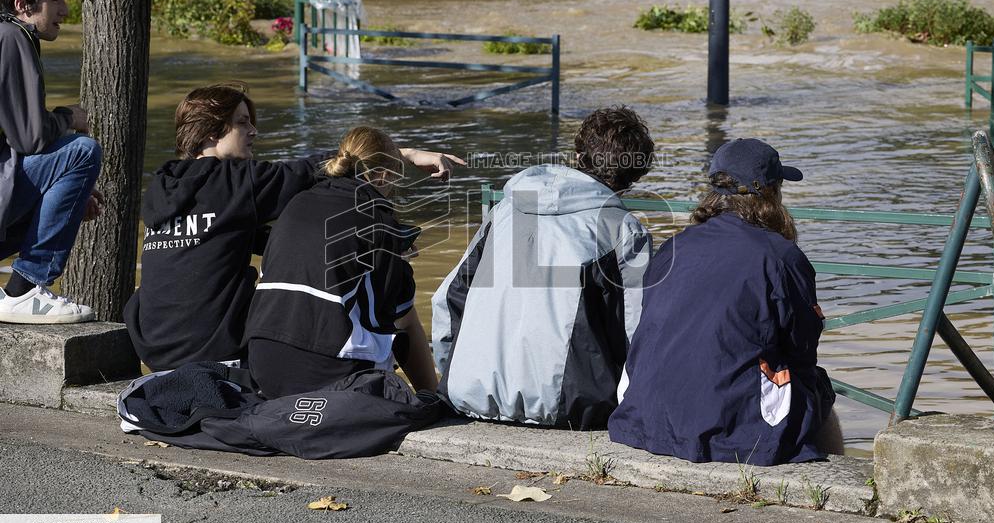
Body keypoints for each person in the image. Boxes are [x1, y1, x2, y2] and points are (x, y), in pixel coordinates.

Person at [125, 83, 462, 371]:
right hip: (210, 353)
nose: (253, 131)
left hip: (153, 350)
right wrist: (402, 154)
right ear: (211, 131)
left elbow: (254, 240)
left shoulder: (162, 185)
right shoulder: (237, 181)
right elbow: (314, 169)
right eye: (242, 123)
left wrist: (370, 246)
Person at [609, 138, 843, 465]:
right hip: (736, 435)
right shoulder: (782, 257)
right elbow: (803, 349)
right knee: (817, 388)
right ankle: (828, 472)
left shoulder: (672, 248)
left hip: (643, 420)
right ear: (773, 192)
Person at [432, 106, 655, 429]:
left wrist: (455, 373)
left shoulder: (505, 209)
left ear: (578, 155)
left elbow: (447, 300)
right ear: (635, 176)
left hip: (468, 395)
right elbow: (641, 331)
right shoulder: (622, 230)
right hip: (569, 410)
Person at [244, 126, 438, 397]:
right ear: (382, 176)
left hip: (263, 366)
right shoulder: (376, 218)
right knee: (398, 322)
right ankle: (435, 395)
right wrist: (432, 396)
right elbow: (402, 322)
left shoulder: (297, 202)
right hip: (328, 377)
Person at [0, 0, 102, 323]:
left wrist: (70, 193)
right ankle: (25, 287)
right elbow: (30, 138)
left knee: (72, 168)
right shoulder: (11, 37)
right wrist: (70, 117)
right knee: (81, 151)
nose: (65, 10)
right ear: (23, 5)